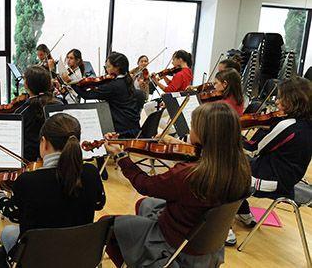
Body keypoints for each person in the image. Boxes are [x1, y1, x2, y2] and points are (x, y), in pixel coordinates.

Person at [102, 102, 251, 267]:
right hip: (206, 243)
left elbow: (145, 185)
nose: (190, 131)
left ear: (204, 134)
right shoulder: (240, 166)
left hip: (176, 244)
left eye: (193, 126)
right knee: (143, 204)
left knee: (107, 225)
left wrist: (121, 156)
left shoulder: (188, 175)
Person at [0, 113, 105, 257]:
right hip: (80, 253)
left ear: (44, 142)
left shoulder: (27, 181)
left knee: (7, 232)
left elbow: (12, 213)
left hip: (39, 255)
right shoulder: (91, 172)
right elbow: (99, 203)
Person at [228, 77, 312, 245]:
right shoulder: (306, 124)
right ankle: (243, 212)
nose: (277, 101)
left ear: (292, 101)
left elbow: (254, 148)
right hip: (288, 177)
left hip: (273, 181)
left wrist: (232, 133)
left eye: (281, 98)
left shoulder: (286, 125)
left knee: (225, 171)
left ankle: (222, 227)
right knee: (237, 163)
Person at [72, 52, 143, 137]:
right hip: (132, 126)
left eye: (108, 66)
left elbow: (87, 95)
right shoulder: (127, 80)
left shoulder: (113, 85)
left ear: (117, 68)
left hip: (121, 129)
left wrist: (72, 84)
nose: (106, 69)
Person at [13, 65, 62, 162]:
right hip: (56, 158)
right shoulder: (58, 104)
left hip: (28, 161)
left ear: (27, 85)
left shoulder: (22, 111)